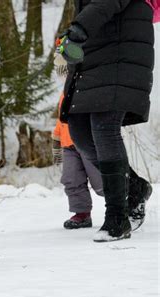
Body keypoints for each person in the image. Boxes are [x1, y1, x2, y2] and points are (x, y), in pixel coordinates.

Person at [57, 0, 154, 242]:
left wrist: (79, 28)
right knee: (79, 131)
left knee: (104, 127)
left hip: (122, 56)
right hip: (93, 60)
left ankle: (117, 219)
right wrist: (71, 41)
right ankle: (134, 187)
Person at [52, 93, 104, 229]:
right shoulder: (64, 93)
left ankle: (127, 202)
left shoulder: (88, 87)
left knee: (101, 180)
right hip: (68, 145)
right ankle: (82, 214)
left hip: (88, 141)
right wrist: (56, 139)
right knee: (71, 179)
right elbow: (61, 118)